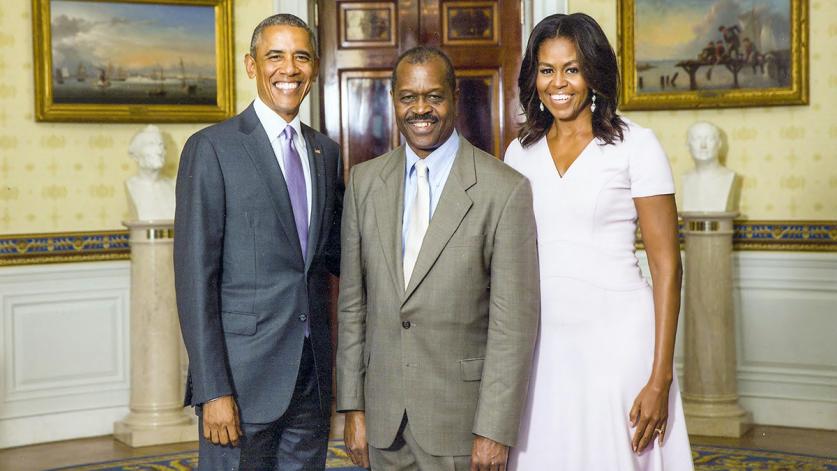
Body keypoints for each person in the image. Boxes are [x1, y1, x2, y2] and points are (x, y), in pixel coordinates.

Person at [504, 13, 694, 470]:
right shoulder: (518, 153)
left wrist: (660, 377)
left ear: (594, 71)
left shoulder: (636, 145)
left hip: (618, 343)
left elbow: (667, 266)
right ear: (533, 76)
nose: (559, 83)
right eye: (547, 70)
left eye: (572, 68)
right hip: (542, 348)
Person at [336, 46, 539, 471]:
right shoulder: (364, 183)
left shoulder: (504, 190)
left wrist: (494, 431)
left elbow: (512, 327)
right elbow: (353, 306)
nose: (421, 109)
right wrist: (352, 408)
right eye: (408, 97)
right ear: (393, 101)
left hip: (460, 425)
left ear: (455, 97)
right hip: (383, 423)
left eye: (434, 96)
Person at [173, 13, 343, 470]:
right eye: (275, 56)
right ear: (251, 66)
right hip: (241, 383)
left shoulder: (326, 153)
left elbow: (334, 257)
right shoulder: (212, 148)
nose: (289, 69)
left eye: (301, 57)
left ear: (314, 67)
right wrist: (213, 390)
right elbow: (195, 282)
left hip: (311, 378)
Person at [681, 121, 738, 212]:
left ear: (719, 144)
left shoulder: (729, 176)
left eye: (710, 139)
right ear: (687, 145)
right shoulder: (684, 178)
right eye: (696, 139)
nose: (703, 145)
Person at [126, 124, 175, 220]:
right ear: (135, 155)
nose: (159, 151)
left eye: (161, 145)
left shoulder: (173, 185)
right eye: (151, 144)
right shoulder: (130, 186)